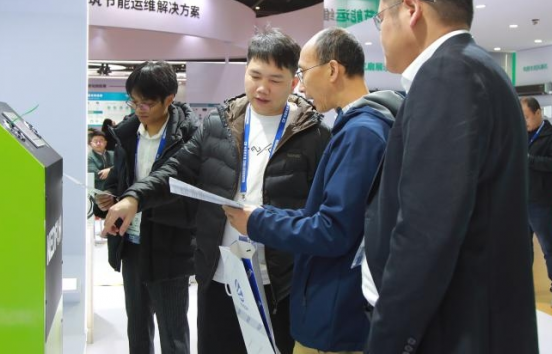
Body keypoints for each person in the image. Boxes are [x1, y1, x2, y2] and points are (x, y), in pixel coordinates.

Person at [101, 28, 331, 354]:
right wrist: (134, 198)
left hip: (279, 283)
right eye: (255, 75)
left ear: (294, 82)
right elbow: (177, 169)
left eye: (275, 80)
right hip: (220, 274)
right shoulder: (219, 124)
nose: (262, 87)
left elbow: (321, 212)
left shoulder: (314, 134)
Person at [364, 0, 539, 353]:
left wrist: (387, 341)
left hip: (453, 329)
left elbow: (424, 233)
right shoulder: (479, 68)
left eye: (380, 18)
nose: (380, 32)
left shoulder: (447, 74)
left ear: (410, 9)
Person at [223, 27, 399, 354]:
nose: (301, 86)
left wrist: (258, 222)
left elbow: (332, 230)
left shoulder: (361, 134)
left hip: (336, 315)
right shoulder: (362, 125)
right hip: (339, 306)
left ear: (332, 70)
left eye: (303, 73)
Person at [96, 61, 199, 354]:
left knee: (173, 332)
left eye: (148, 103)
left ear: (169, 99)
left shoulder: (189, 136)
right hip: (131, 242)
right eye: (134, 101)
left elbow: (186, 190)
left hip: (170, 245)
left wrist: (137, 200)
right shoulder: (127, 135)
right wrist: (107, 199)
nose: (140, 109)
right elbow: (118, 180)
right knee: (137, 327)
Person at [521, 96, 552, 309]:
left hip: (541, 203)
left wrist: (529, 160)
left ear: (538, 112)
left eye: (526, 117)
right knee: (522, 248)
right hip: (520, 201)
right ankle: (523, 286)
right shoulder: (520, 134)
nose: (524, 122)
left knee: (549, 247)